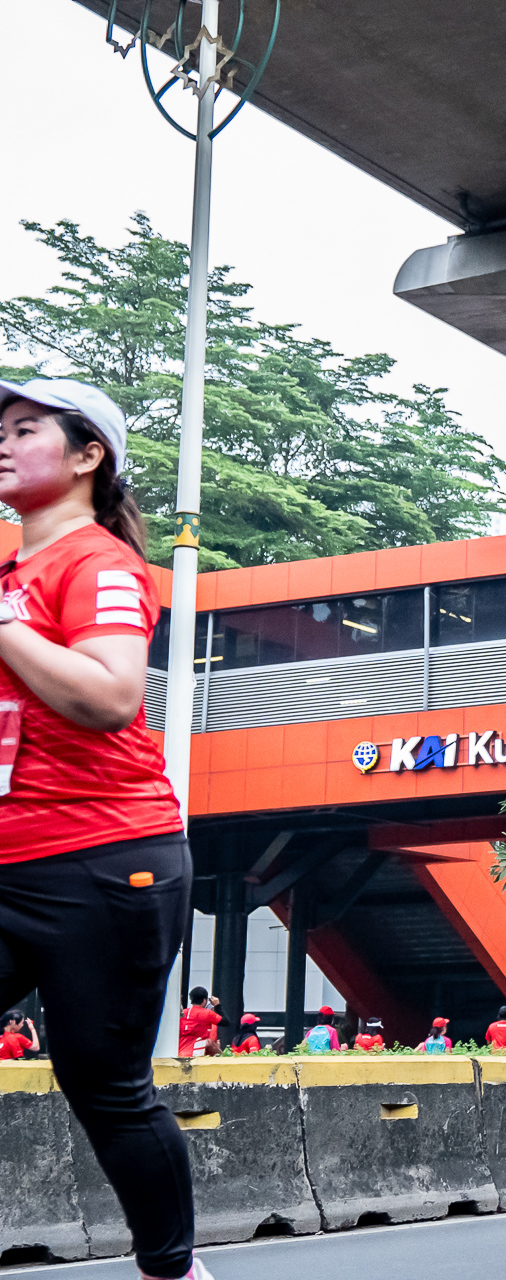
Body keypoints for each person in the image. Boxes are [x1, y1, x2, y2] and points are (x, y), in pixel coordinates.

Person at [0, 378, 209, 1280]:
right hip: (11, 863)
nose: (3, 441)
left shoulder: (99, 566)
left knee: (106, 1088)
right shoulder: (11, 576)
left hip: (105, 863)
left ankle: (173, 1271)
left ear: (89, 455)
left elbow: (112, 694)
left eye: (25, 427)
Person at [178, 989, 223, 1058]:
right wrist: (219, 1052)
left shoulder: (183, 1014)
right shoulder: (209, 1018)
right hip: (196, 1055)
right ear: (204, 1000)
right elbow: (210, 1044)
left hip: (180, 1054)